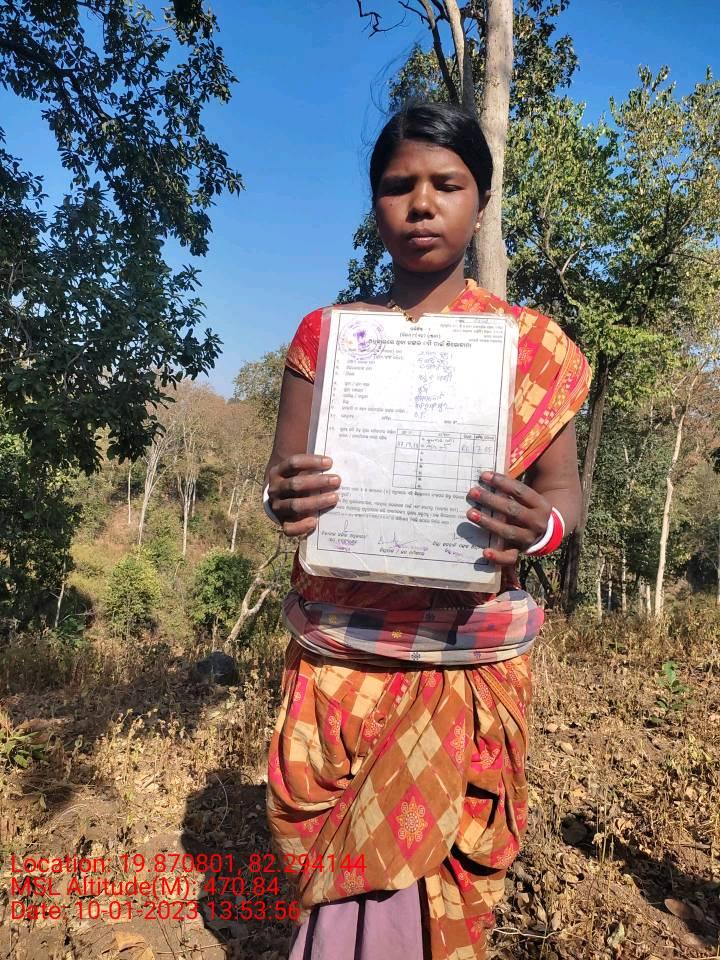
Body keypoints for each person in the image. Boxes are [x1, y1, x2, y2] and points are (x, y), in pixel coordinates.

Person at [263, 102, 591, 960]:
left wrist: (542, 528)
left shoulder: (534, 349)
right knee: (340, 889)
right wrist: (284, 501)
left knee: (445, 883)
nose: (421, 204)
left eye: (446, 184)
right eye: (397, 185)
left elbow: (564, 495)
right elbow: (282, 483)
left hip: (465, 669)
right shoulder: (327, 340)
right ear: (374, 204)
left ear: (480, 200)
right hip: (343, 663)